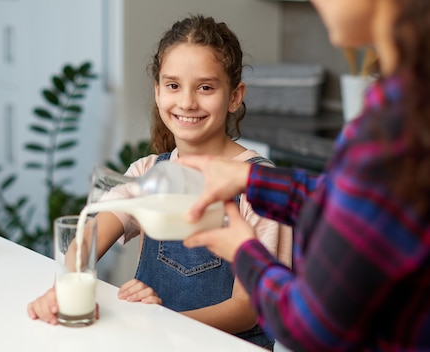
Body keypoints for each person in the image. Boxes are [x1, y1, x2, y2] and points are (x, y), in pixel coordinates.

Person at [177, 0, 430, 351]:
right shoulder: (402, 107)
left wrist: (243, 251)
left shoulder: (390, 134)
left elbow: (310, 324)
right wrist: (250, 181)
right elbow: (349, 203)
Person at [27, 15, 292, 349]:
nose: (187, 102)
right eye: (173, 85)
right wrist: (62, 290)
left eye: (206, 87)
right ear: (157, 91)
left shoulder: (260, 186)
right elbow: (90, 235)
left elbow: (250, 309)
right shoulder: (147, 172)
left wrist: (160, 320)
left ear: (235, 96)